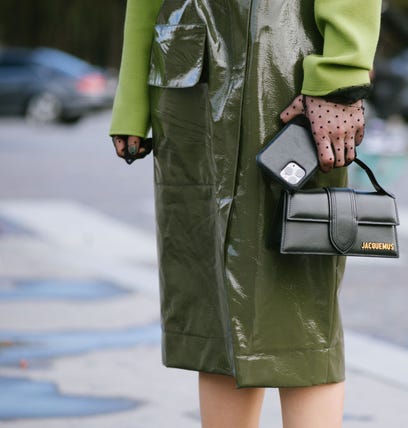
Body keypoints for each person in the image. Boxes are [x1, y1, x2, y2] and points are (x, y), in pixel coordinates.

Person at [109, 0, 381, 427]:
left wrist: (341, 73)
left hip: (285, 58)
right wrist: (132, 98)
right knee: (212, 297)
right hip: (188, 66)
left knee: (301, 300)